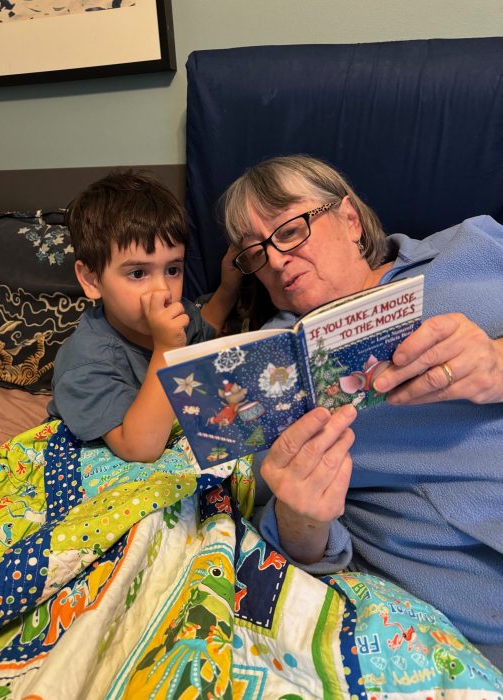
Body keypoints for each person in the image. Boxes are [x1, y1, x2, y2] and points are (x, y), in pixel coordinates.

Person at [220, 154, 503, 669]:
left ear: (349, 220)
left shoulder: (475, 247)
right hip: (473, 620)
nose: (276, 261)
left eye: (289, 231)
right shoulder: (265, 369)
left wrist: (499, 361)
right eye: (254, 253)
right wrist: (301, 517)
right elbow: (289, 540)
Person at [48, 170, 241, 463]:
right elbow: (139, 449)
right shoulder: (84, 362)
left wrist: (227, 289)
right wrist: (166, 349)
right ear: (91, 280)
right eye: (138, 273)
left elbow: (205, 333)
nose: (163, 290)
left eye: (173, 270)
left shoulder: (181, 312)